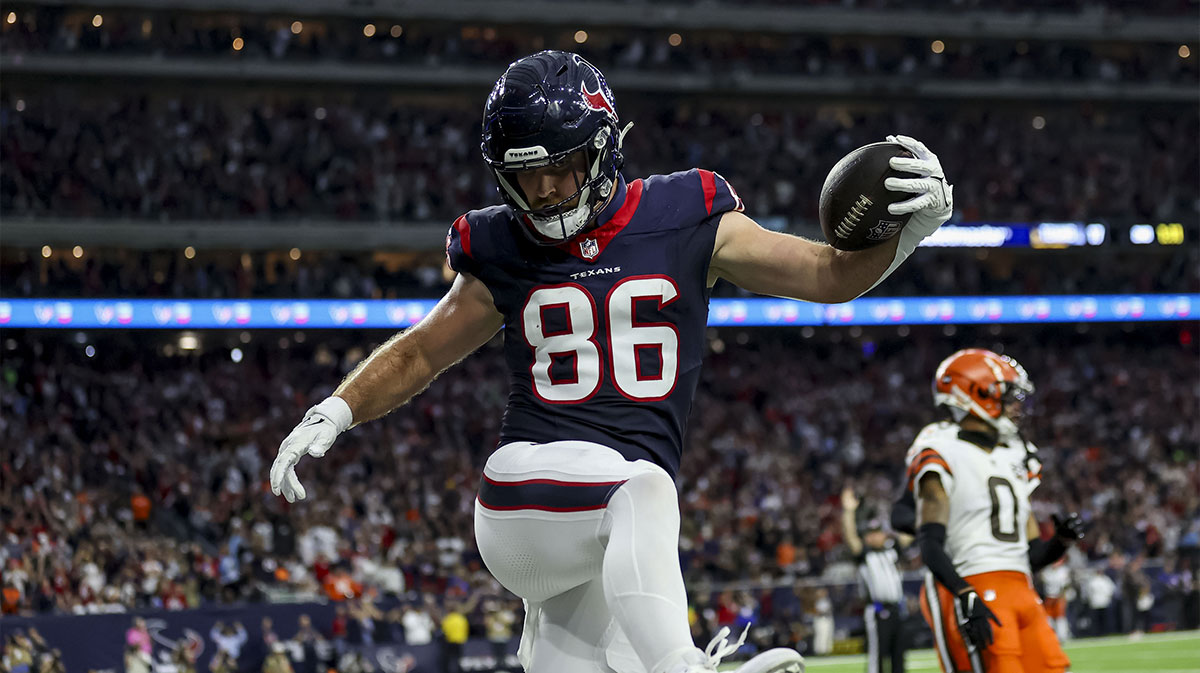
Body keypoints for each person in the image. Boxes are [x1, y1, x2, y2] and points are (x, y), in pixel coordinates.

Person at [269, 50, 954, 673]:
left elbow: (825, 274)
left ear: (600, 150)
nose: (540, 191)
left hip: (599, 543)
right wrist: (337, 407)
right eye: (523, 175)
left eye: (556, 168)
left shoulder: (686, 211)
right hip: (524, 497)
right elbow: (421, 349)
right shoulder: (499, 245)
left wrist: (905, 237)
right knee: (644, 488)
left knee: (629, 534)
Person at [905, 349, 1085, 673]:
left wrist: (1060, 541)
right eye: (1009, 397)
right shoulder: (942, 449)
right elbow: (929, 543)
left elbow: (1028, 556)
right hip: (978, 585)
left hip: (1023, 590)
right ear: (977, 393)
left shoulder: (1015, 454)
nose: (1017, 407)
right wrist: (964, 593)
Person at [841, 488, 908, 673]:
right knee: (877, 658)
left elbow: (908, 536)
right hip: (877, 610)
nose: (876, 536)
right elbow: (851, 538)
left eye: (878, 532)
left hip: (897, 609)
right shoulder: (865, 554)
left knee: (899, 657)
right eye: (872, 533)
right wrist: (849, 511)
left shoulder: (891, 550)